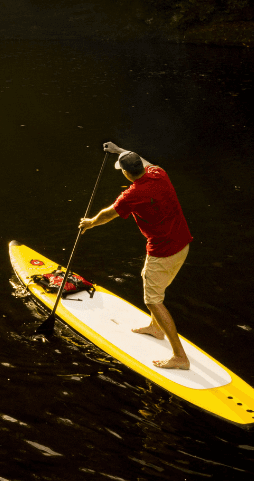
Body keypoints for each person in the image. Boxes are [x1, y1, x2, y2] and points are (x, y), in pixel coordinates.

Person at [78, 141, 193, 370]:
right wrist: (119, 150)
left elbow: (108, 214)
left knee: (153, 300)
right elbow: (143, 160)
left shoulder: (132, 194)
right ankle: (156, 327)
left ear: (127, 173)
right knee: (151, 280)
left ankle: (180, 356)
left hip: (163, 252)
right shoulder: (158, 173)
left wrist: (89, 223)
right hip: (182, 244)